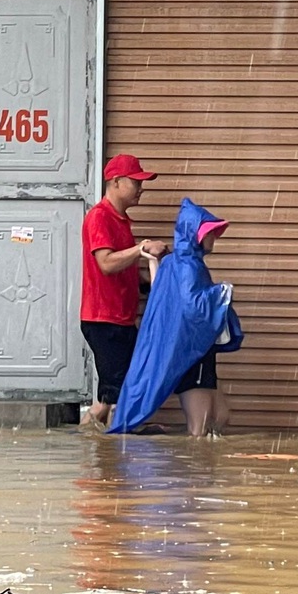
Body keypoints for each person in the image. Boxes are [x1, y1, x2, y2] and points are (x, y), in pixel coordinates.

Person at [109, 197, 243, 437]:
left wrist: (153, 263)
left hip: (192, 353)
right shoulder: (188, 267)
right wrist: (222, 292)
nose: (214, 238)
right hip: (193, 356)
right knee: (200, 429)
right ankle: (190, 468)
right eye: (210, 233)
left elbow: (162, 294)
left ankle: (187, 464)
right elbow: (192, 308)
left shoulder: (177, 263)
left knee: (220, 417)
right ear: (196, 235)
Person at [79, 154, 169, 429]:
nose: (141, 189)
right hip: (103, 320)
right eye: (136, 182)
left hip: (121, 319)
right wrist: (142, 249)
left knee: (107, 398)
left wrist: (154, 282)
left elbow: (124, 267)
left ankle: (89, 444)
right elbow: (106, 263)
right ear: (116, 182)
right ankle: (116, 454)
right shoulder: (99, 217)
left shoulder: (120, 221)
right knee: (121, 394)